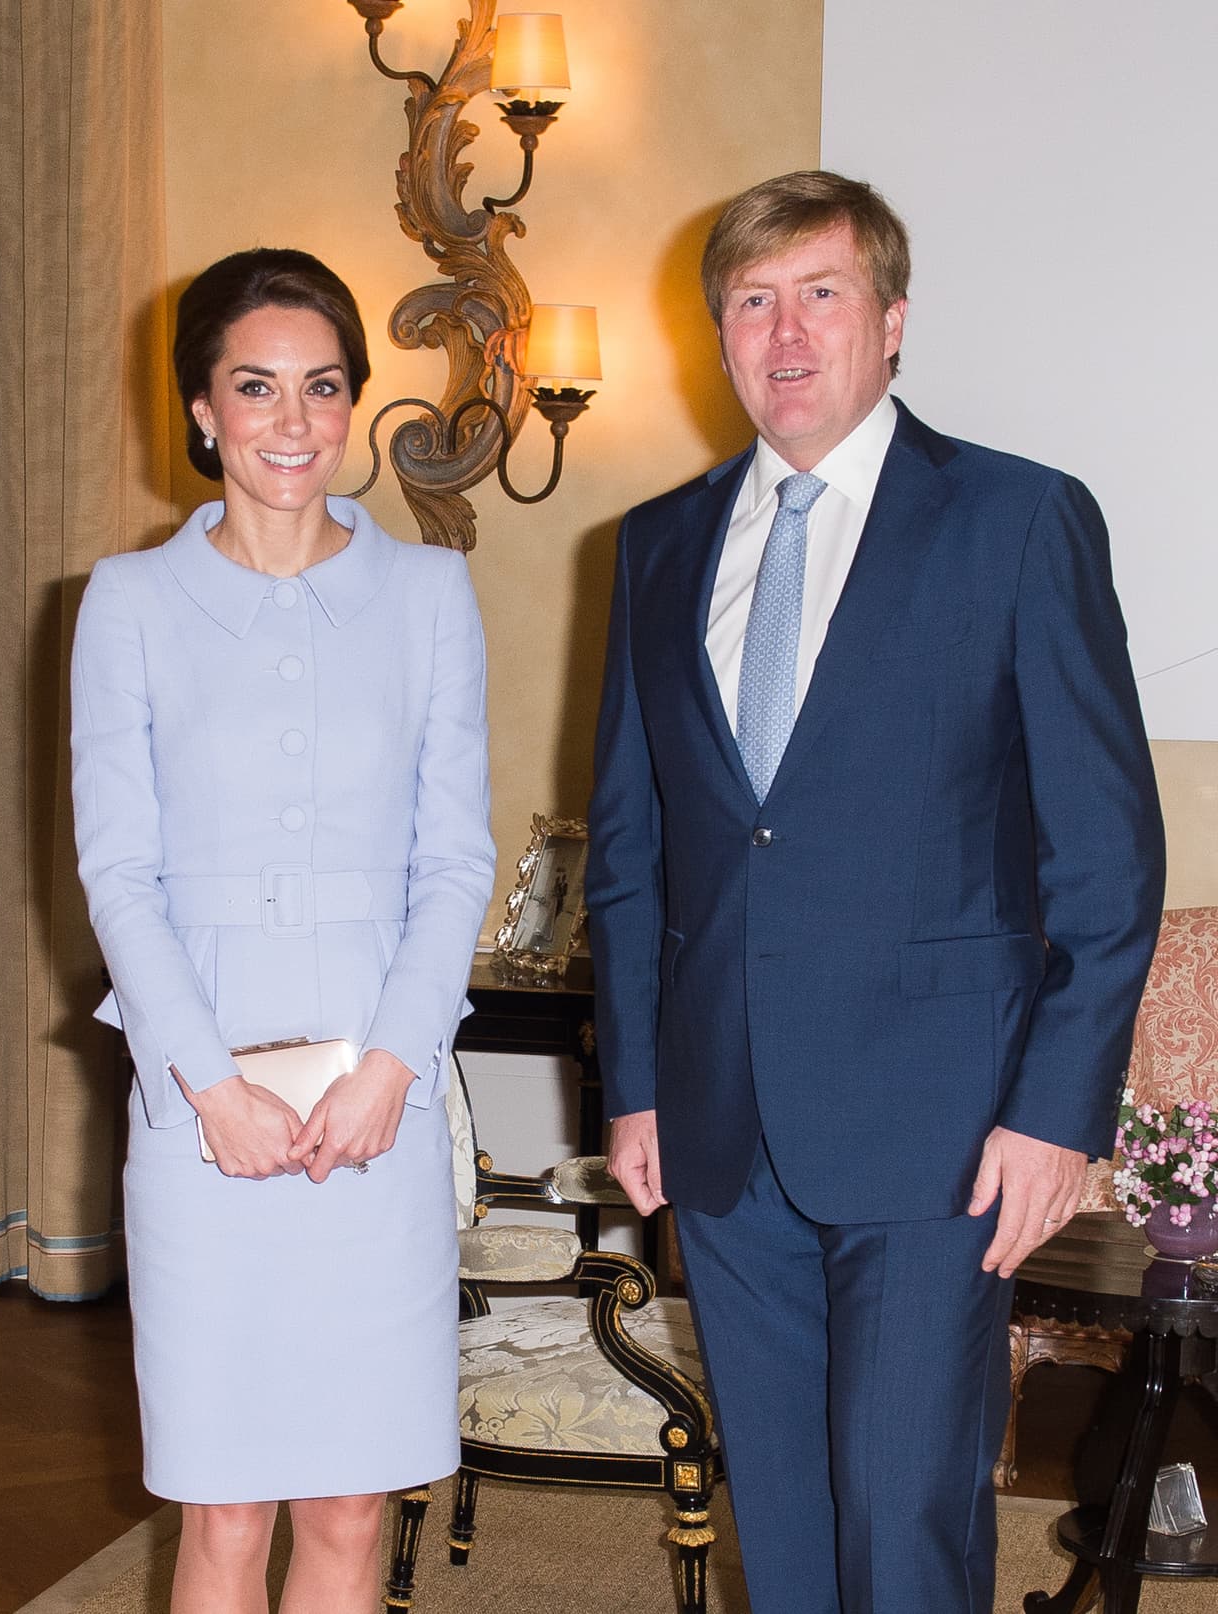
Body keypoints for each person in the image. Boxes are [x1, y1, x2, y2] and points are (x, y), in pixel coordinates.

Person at [585, 171, 1164, 1613]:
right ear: (717, 333)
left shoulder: (1019, 520)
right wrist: (639, 1082)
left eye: (821, 295)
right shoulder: (655, 546)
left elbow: (1107, 854)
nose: (785, 335)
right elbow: (634, 840)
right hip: (723, 1128)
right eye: (752, 302)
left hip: (944, 1129)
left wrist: (1055, 1114)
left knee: (902, 1521)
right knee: (780, 1518)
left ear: (893, 319)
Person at [71, 248, 494, 1614]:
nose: (291, 420)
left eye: (321, 387)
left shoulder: (430, 599)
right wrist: (207, 1084)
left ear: (353, 402)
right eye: (254, 387)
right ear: (201, 409)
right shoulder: (126, 606)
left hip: (380, 1106)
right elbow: (117, 873)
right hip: (205, 1116)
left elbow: (456, 858)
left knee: (354, 1505)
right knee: (225, 1504)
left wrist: (393, 1071)